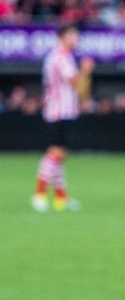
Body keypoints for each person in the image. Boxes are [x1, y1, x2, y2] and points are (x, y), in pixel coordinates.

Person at [32, 23, 93, 213]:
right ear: (64, 37)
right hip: (59, 110)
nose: (76, 40)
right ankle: (39, 193)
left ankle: (60, 197)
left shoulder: (56, 56)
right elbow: (75, 82)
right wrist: (86, 69)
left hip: (61, 109)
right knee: (55, 153)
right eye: (73, 36)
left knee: (60, 155)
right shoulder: (61, 57)